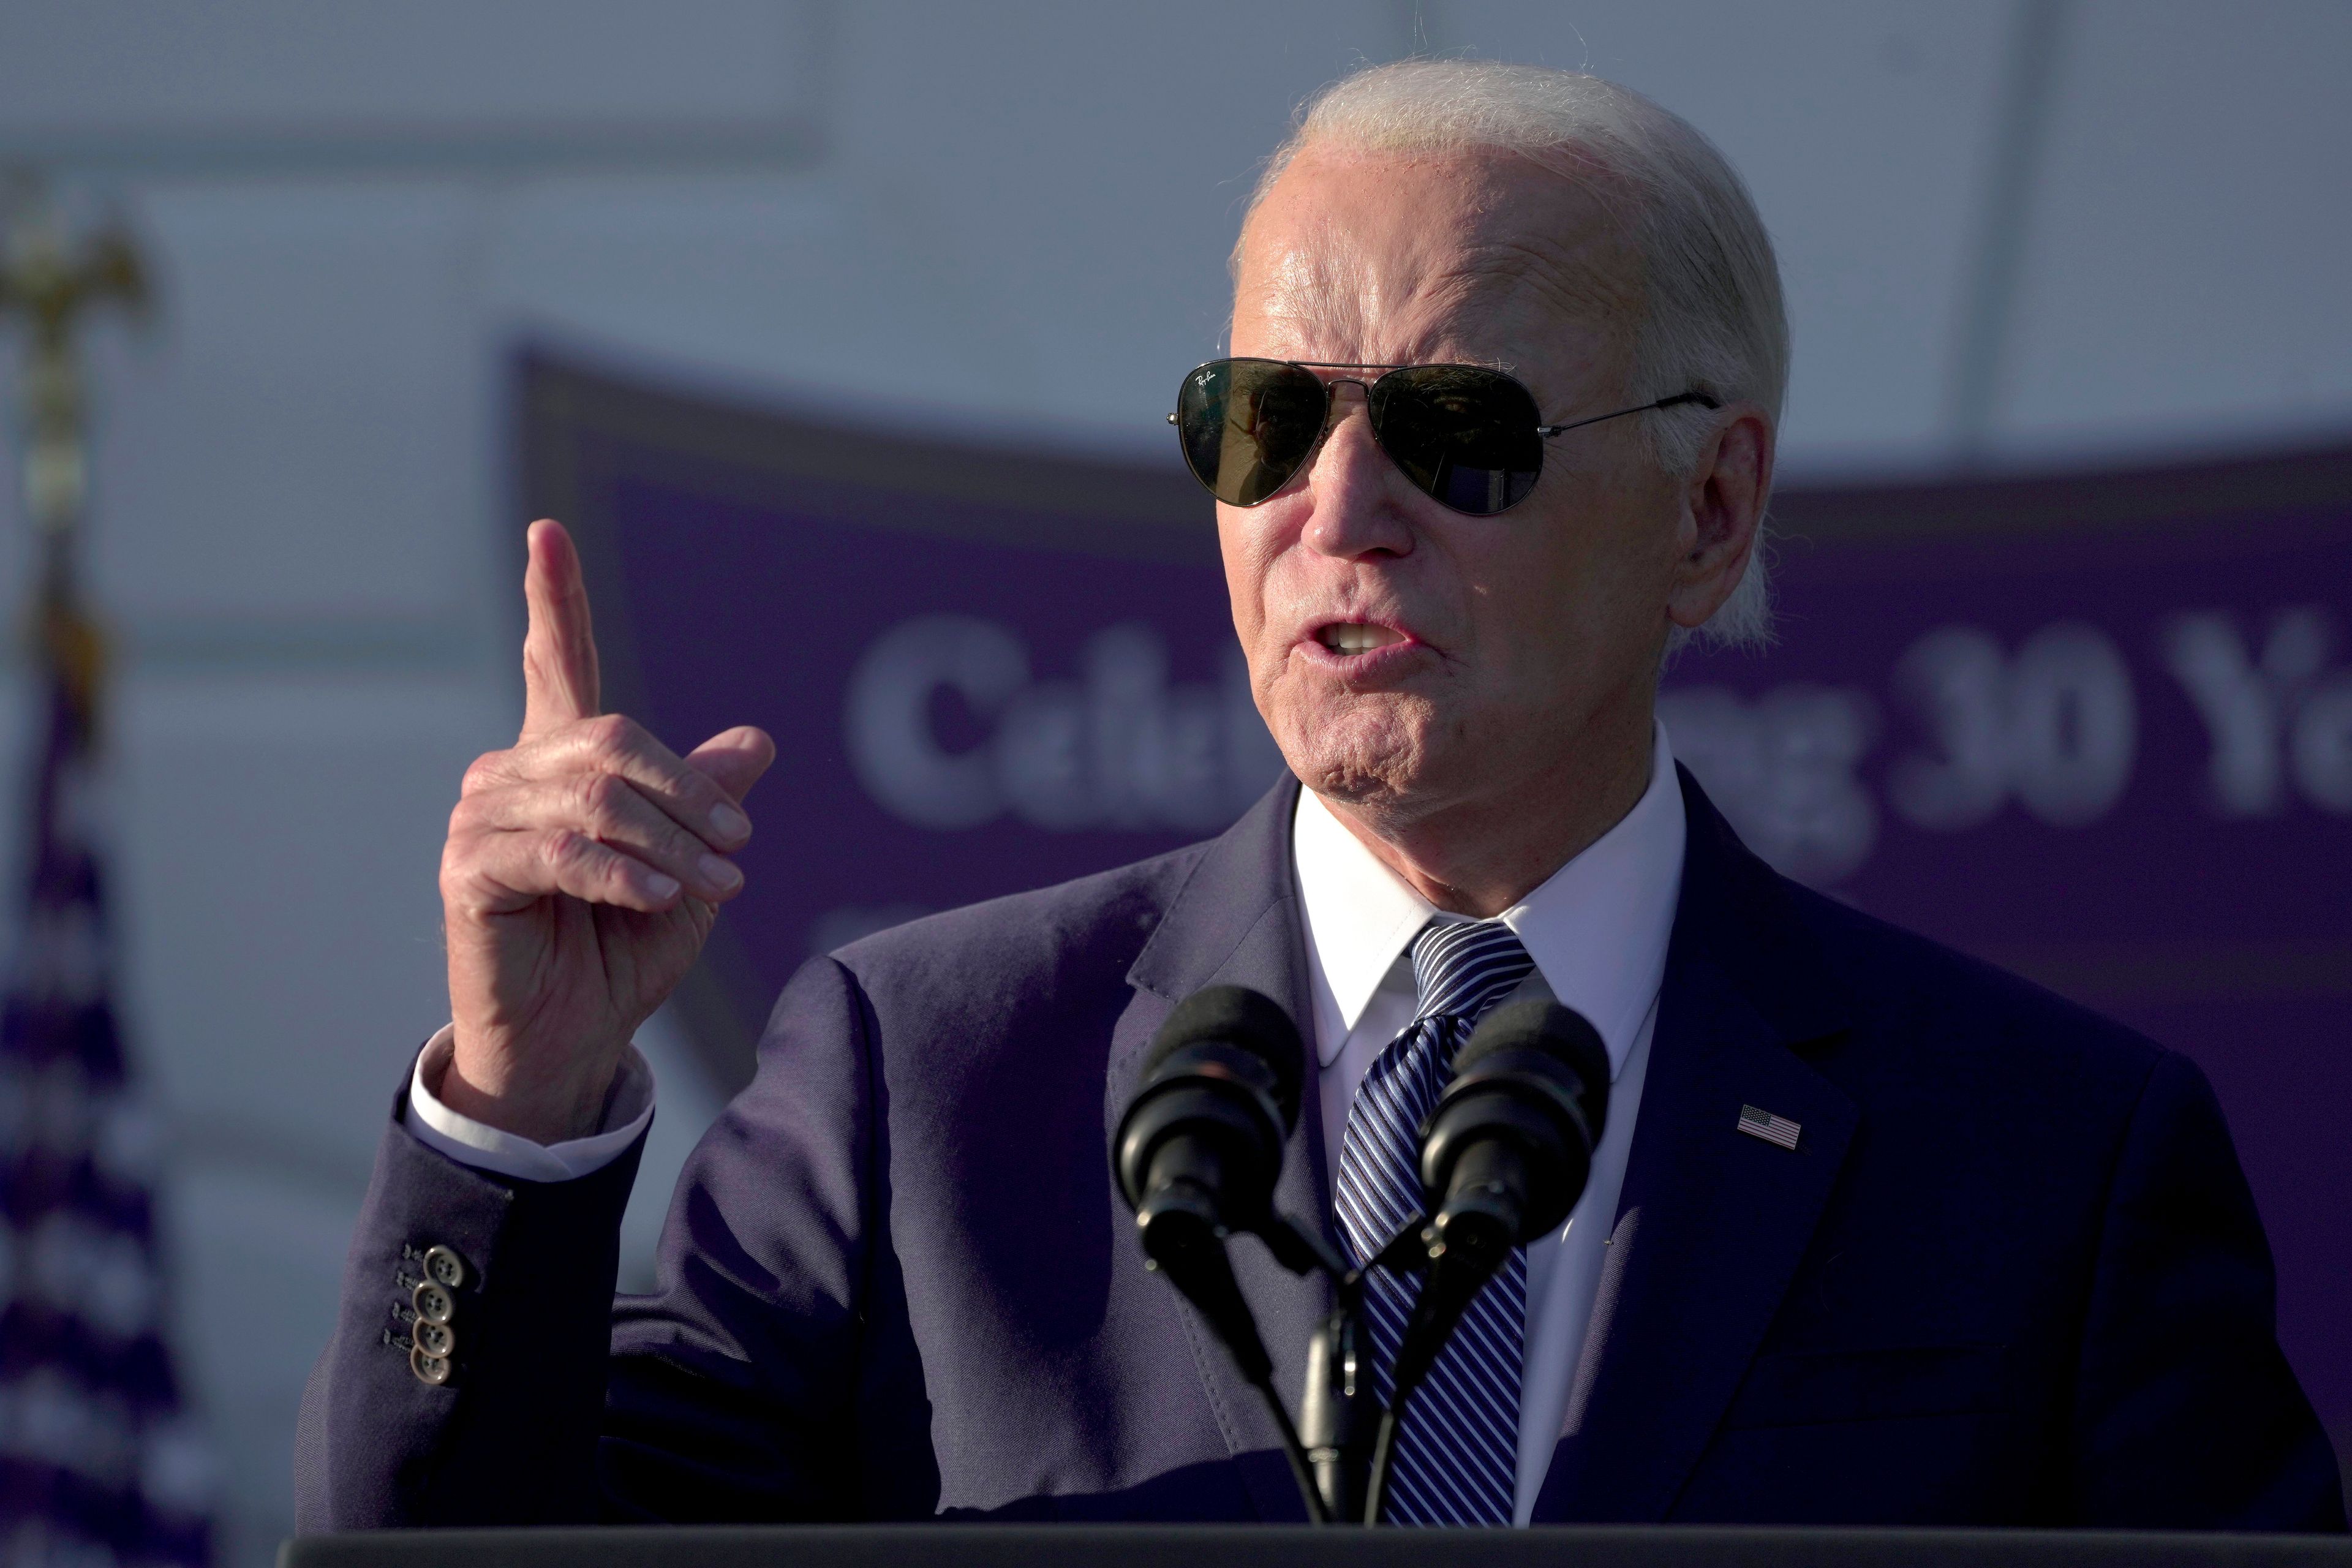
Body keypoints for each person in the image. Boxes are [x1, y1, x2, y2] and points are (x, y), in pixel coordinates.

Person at [294, 61, 2343, 1531]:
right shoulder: (922, 1080)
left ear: (1709, 513)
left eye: (1461, 428)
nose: (1335, 512)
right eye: (1266, 420)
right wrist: (519, 1121)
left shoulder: (2051, 1162)